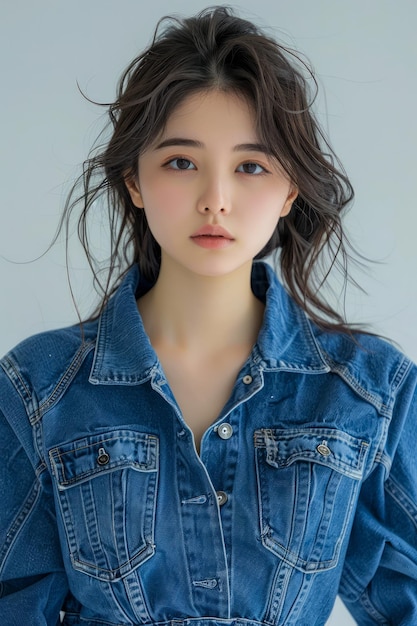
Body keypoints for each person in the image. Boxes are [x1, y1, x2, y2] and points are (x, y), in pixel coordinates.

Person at [0, 6, 416, 625]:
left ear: (290, 189)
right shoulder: (40, 387)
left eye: (250, 166)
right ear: (133, 181)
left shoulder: (368, 391)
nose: (214, 200)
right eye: (180, 162)